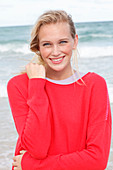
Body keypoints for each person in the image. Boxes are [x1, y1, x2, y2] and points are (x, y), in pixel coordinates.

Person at [7, 10, 112, 170]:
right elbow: (37, 148)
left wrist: (32, 165)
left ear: (75, 41)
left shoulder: (94, 85)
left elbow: (97, 160)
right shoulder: (19, 85)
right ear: (38, 47)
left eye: (62, 42)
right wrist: (37, 85)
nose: (55, 52)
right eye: (47, 44)